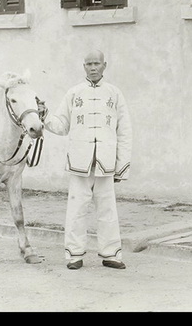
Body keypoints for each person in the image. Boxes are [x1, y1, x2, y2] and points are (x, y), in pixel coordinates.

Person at [42, 49, 132, 270]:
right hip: (80, 162)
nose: (93, 68)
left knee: (108, 210)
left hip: (106, 161)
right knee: (76, 209)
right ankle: (74, 255)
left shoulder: (115, 94)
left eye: (96, 63)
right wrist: (44, 116)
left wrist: (122, 165)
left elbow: (125, 131)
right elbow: (61, 125)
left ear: (104, 65)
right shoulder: (74, 93)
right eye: (88, 64)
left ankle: (111, 253)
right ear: (84, 67)